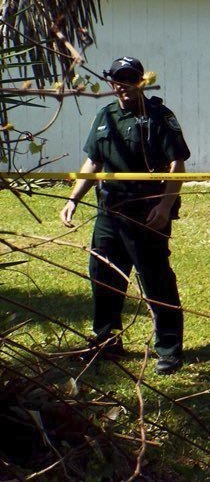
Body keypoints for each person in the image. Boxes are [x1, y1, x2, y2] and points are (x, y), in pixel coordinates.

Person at [60, 56, 191, 375]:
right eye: (118, 79)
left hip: (147, 213)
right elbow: (93, 162)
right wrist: (73, 198)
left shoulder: (159, 116)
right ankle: (106, 340)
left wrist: (163, 205)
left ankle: (168, 349)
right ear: (110, 83)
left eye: (130, 78)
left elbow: (177, 164)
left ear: (141, 81)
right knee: (103, 274)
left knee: (155, 278)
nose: (123, 85)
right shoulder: (105, 116)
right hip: (110, 211)